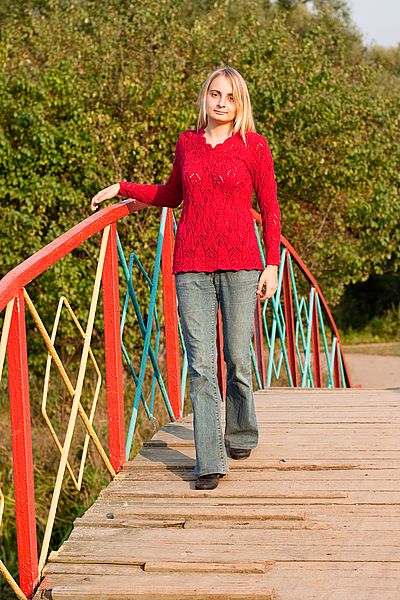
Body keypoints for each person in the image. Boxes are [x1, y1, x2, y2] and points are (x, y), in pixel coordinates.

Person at [91, 66, 281, 490]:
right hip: (191, 263)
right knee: (200, 366)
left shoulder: (253, 146)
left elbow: (270, 209)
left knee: (237, 358)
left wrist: (271, 264)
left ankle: (242, 432)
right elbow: (172, 194)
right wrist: (124, 187)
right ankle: (210, 461)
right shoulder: (188, 143)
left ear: (239, 104)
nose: (220, 102)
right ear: (205, 97)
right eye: (215, 94)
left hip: (241, 263)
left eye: (229, 97)